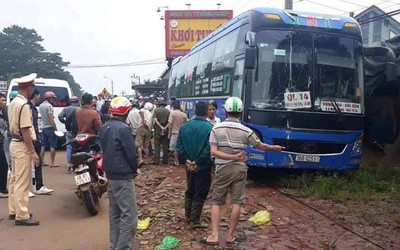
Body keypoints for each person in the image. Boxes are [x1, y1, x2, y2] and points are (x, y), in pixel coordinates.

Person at [203, 97, 284, 245]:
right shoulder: (246, 130)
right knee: (236, 202)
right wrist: (274, 148)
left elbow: (214, 152)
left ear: (226, 111)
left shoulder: (216, 128)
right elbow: (260, 146)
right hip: (239, 169)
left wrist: (229, 157)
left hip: (222, 169)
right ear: (240, 113)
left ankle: (214, 236)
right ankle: (230, 236)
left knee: (216, 202)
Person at [99, 96, 138, 250]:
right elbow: (131, 154)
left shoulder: (105, 127)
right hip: (123, 176)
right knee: (129, 216)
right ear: (126, 112)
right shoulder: (123, 129)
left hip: (110, 174)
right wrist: (134, 170)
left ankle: (114, 245)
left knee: (115, 213)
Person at [7, 73, 40, 226]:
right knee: (22, 182)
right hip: (21, 145)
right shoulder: (24, 105)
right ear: (29, 88)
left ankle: (14, 210)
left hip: (14, 143)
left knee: (14, 179)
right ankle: (22, 215)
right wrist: (33, 152)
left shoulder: (13, 103)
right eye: (32, 86)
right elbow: (26, 131)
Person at [177, 101, 213, 228]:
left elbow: (179, 147)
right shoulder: (210, 128)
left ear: (195, 111)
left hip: (188, 166)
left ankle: (188, 216)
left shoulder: (184, 127)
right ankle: (195, 220)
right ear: (206, 112)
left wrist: (187, 160)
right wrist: (197, 162)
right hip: (203, 166)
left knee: (190, 189)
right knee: (201, 191)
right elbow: (209, 149)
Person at [30, 89, 53, 195]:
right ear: (36, 95)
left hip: (38, 133)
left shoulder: (37, 107)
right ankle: (34, 187)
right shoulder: (29, 108)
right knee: (30, 164)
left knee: (37, 162)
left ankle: (38, 186)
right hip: (31, 139)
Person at [58, 96, 80, 173]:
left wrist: (65, 122)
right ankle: (76, 164)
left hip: (69, 131)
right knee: (78, 147)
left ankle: (69, 164)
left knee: (69, 147)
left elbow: (60, 116)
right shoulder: (79, 109)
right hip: (78, 132)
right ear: (77, 102)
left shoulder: (66, 109)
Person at [38, 91, 59, 168]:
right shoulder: (49, 106)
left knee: (43, 146)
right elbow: (51, 119)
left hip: (43, 128)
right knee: (52, 146)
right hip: (50, 127)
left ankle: (42, 161)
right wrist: (55, 128)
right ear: (49, 98)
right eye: (53, 98)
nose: (53, 100)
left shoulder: (41, 105)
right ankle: (52, 163)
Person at [167, 100, 188, 166]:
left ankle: (177, 161)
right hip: (183, 134)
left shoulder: (172, 113)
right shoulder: (184, 114)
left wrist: (169, 133)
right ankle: (184, 161)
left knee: (174, 148)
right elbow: (187, 124)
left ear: (173, 106)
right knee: (182, 147)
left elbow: (170, 124)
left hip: (175, 133)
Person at [151, 98, 170, 165]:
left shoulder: (156, 110)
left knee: (157, 145)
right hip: (165, 130)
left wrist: (160, 127)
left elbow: (155, 119)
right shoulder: (168, 111)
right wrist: (165, 127)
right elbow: (169, 121)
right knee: (165, 145)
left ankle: (156, 161)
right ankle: (165, 161)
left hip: (158, 130)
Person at [136, 102, 153, 166]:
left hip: (141, 128)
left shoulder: (142, 110)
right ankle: (147, 160)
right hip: (148, 130)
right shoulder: (151, 114)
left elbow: (140, 112)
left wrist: (143, 120)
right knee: (146, 146)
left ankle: (140, 159)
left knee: (139, 145)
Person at [0, 93, 8, 198]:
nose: (4, 102)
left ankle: (2, 187)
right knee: (2, 165)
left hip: (2, 142)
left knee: (3, 165)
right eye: (2, 100)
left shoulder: (2, 113)